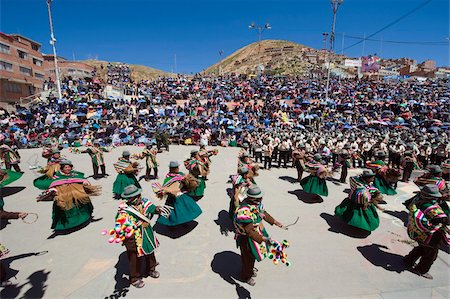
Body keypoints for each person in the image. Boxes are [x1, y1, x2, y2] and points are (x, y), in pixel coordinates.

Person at [233, 186, 284, 286]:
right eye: (259, 198)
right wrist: (264, 239)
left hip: (255, 233)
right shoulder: (244, 211)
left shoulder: (256, 204)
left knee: (253, 256)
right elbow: (249, 231)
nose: (261, 199)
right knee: (248, 258)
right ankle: (246, 276)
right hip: (246, 238)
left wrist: (275, 222)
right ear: (252, 198)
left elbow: (263, 213)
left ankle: (249, 270)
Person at [116, 185, 163, 288]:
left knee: (150, 251)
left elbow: (151, 208)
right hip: (134, 236)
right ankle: (134, 278)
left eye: (139, 195)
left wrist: (157, 209)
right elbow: (121, 226)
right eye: (136, 196)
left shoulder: (144, 202)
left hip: (147, 232)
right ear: (130, 199)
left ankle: (151, 269)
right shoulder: (124, 210)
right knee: (134, 256)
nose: (139, 198)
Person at [33, 159, 101, 231]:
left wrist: (85, 182)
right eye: (66, 167)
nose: (68, 169)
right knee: (66, 210)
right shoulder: (56, 177)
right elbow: (49, 183)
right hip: (64, 197)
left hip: (77, 195)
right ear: (62, 168)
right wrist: (52, 189)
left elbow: (82, 178)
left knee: (81, 206)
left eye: (69, 167)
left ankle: (82, 221)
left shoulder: (75, 174)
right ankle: (67, 226)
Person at [404, 185, 449, 280]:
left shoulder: (416, 201)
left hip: (420, 233)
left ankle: (408, 260)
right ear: (433, 197)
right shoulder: (432, 209)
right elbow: (444, 220)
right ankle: (421, 269)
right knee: (431, 254)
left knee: (421, 247)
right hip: (432, 235)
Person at [153, 161, 202, 227]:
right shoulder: (168, 179)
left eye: (178, 167)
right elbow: (165, 188)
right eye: (176, 167)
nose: (178, 168)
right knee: (174, 212)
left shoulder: (180, 174)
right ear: (172, 169)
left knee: (184, 209)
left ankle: (184, 221)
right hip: (173, 198)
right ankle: (172, 225)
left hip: (181, 195)